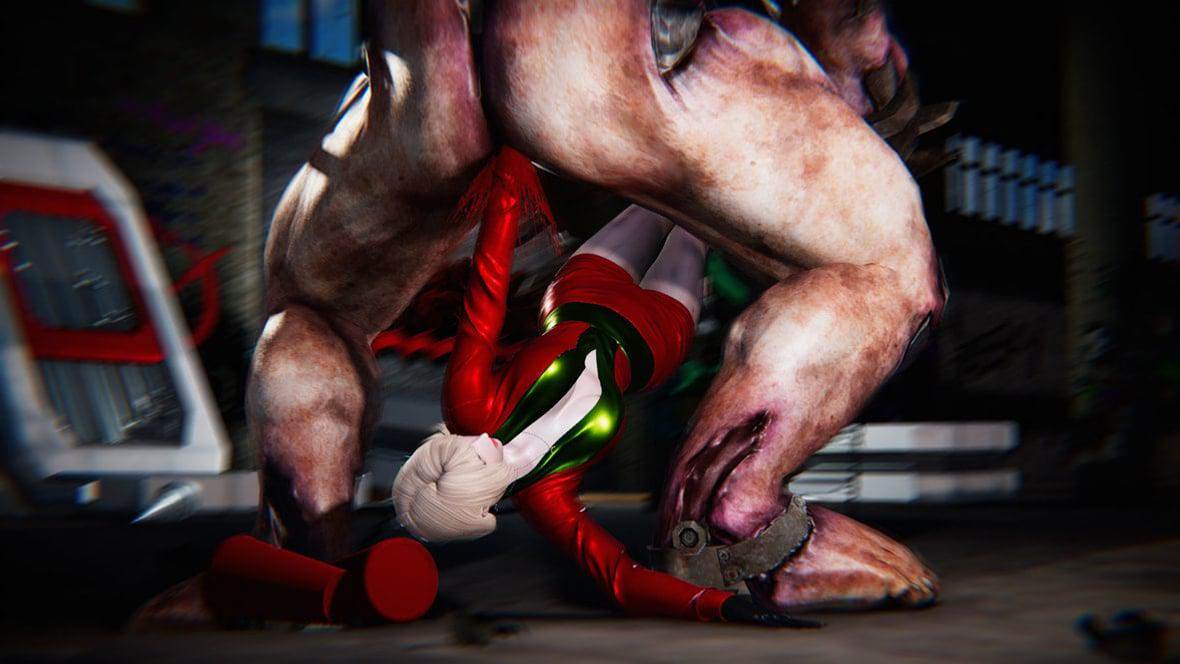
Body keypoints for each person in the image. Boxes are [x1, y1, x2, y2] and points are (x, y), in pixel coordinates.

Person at [393, 147, 810, 626]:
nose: (474, 441)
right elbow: (618, 577)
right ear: (482, 502)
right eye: (474, 461)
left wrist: (508, 188)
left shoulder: (468, 409)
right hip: (653, 340)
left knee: (659, 196)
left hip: (582, 293)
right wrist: (719, 606)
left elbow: (484, 297)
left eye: (453, 448)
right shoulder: (547, 499)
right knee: (696, 229)